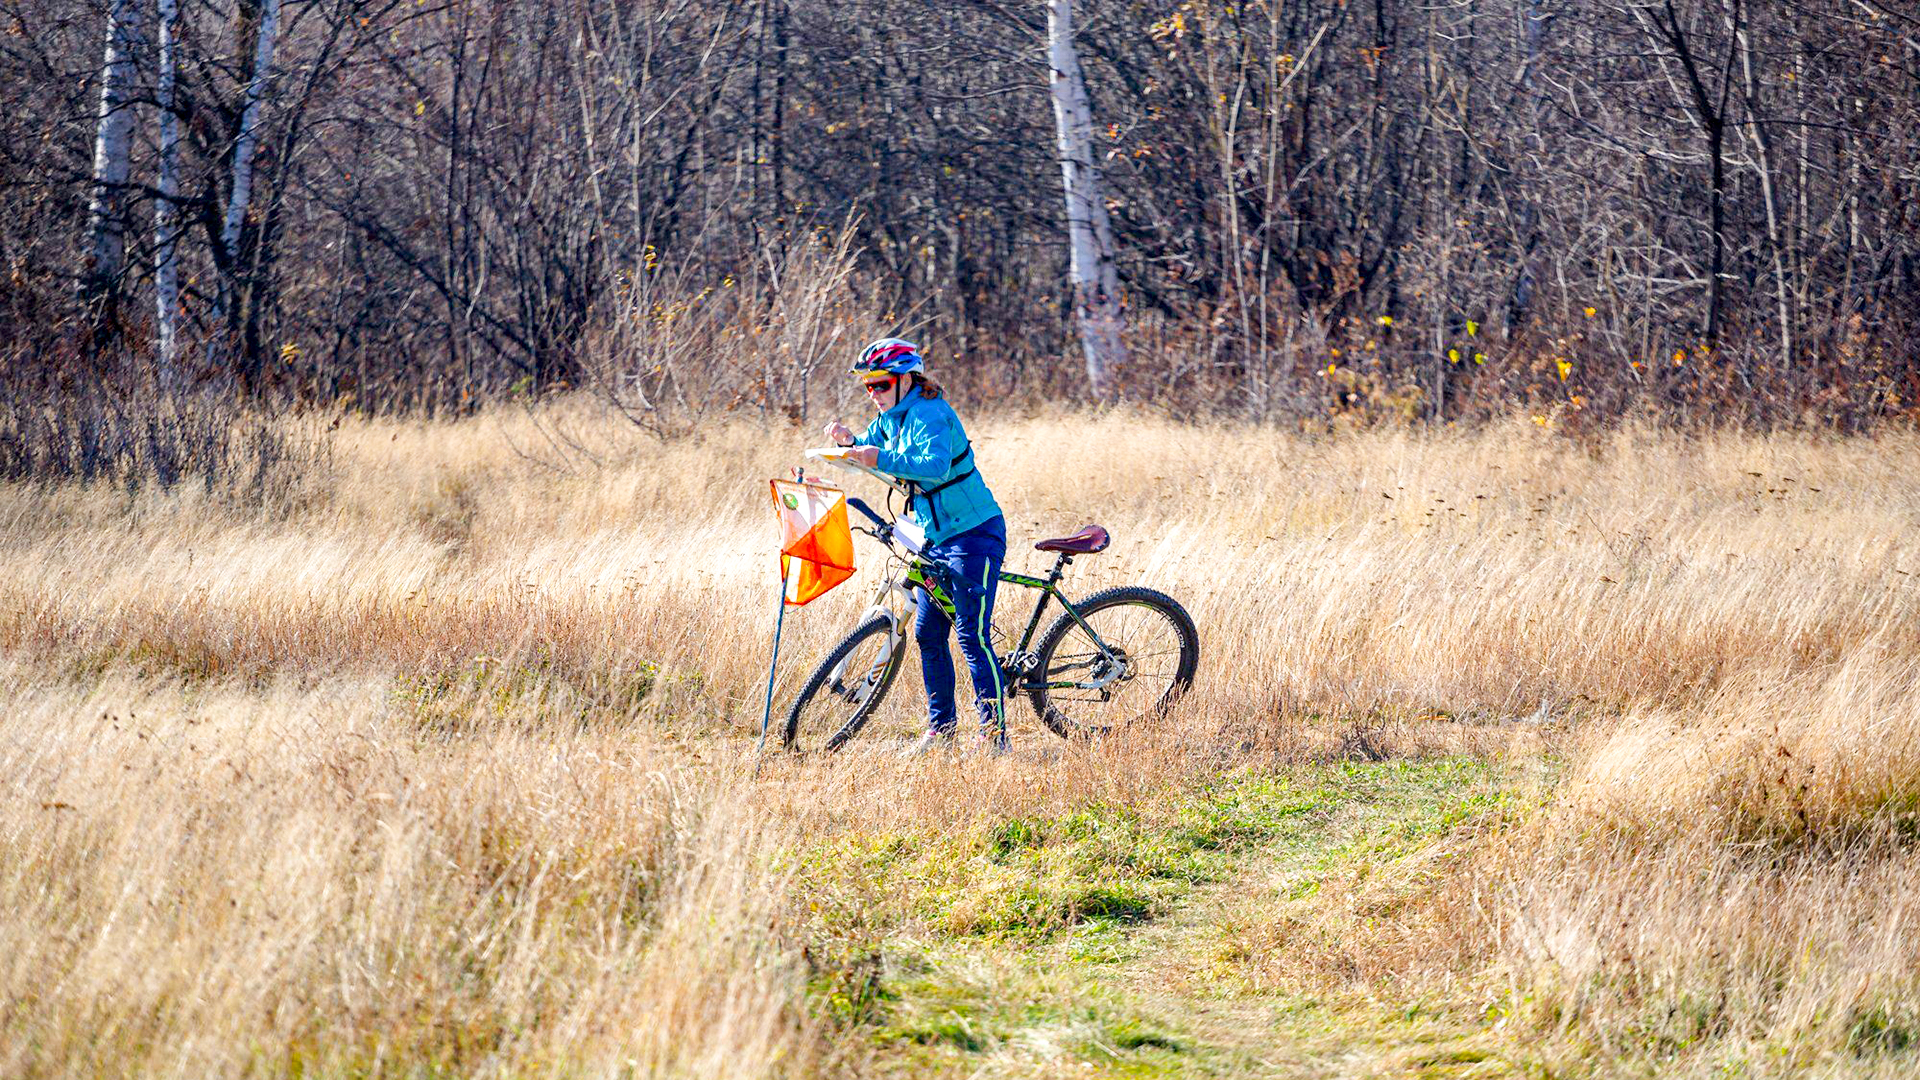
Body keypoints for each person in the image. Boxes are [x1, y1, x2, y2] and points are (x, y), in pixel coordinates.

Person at [824, 338, 1009, 755]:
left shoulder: (931, 412)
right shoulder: (891, 416)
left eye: (881, 385)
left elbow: (934, 466)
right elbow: (873, 451)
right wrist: (847, 442)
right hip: (933, 537)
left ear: (906, 379)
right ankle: (941, 732)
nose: (873, 395)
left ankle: (994, 736)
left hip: (974, 533)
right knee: (927, 633)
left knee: (970, 635)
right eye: (867, 387)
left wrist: (877, 458)